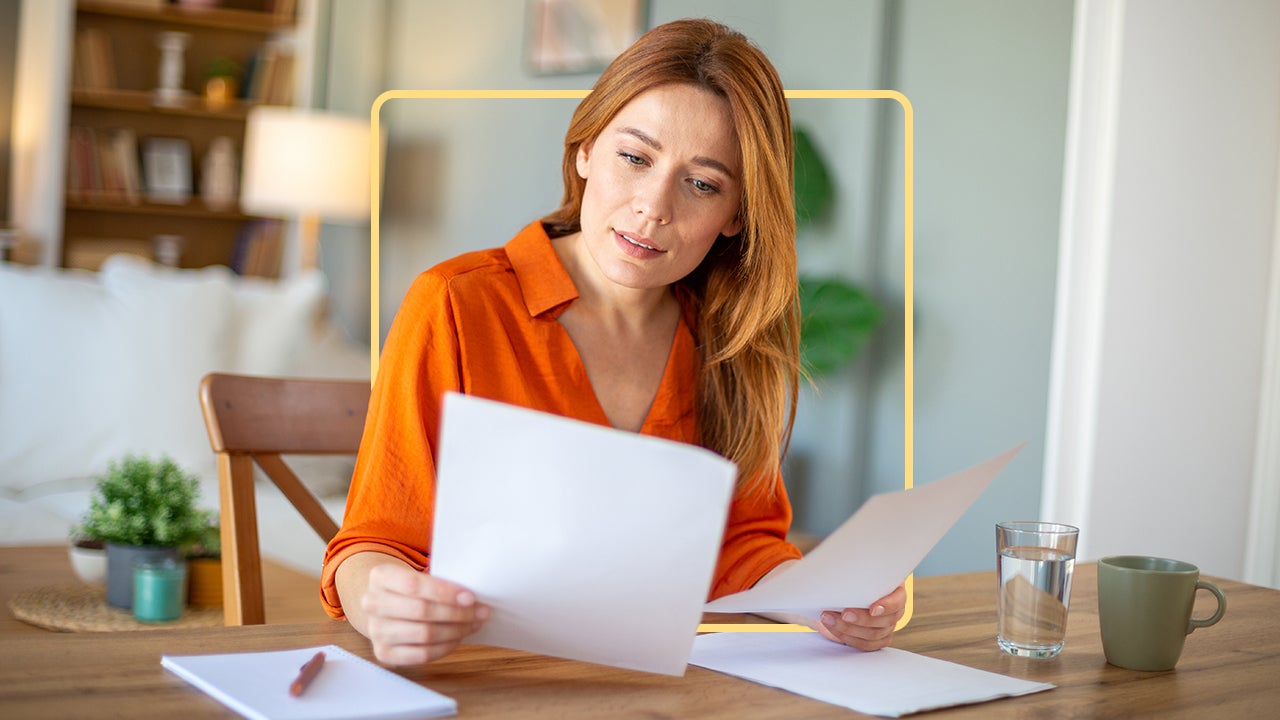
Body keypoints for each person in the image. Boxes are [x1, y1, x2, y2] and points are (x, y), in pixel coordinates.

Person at [321, 17, 906, 666]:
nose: (653, 207)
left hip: (665, 694)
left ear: (736, 215)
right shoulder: (456, 303)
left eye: (702, 183)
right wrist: (384, 600)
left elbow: (741, 549)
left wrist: (822, 597)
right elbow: (374, 545)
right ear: (585, 149)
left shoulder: (730, 341)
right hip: (484, 680)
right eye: (635, 157)